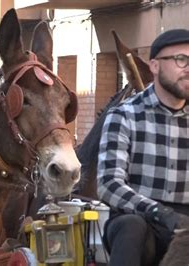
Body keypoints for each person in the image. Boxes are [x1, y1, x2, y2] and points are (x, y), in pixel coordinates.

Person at [97, 29, 189, 266]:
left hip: (186, 225)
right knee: (131, 227)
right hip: (140, 218)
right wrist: (159, 212)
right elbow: (108, 184)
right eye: (181, 60)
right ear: (155, 66)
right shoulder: (124, 116)